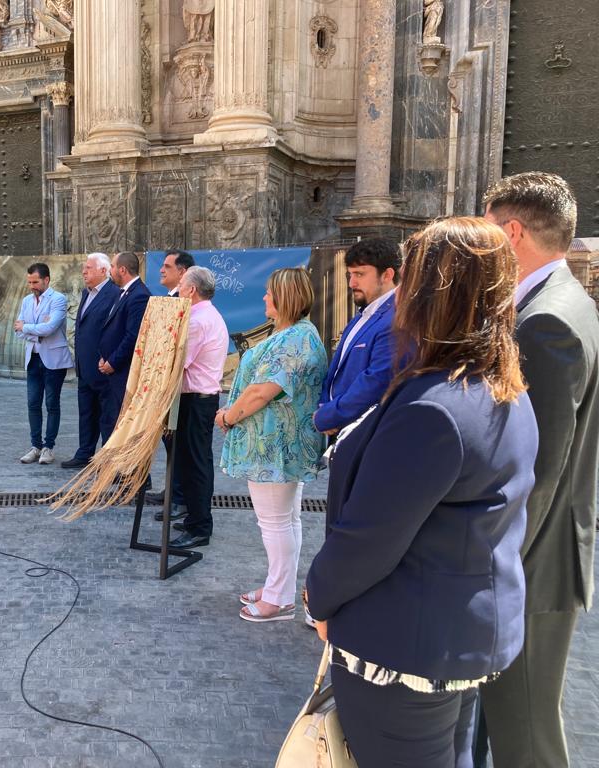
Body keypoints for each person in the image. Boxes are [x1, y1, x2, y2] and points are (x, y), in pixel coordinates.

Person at [304, 217, 538, 767]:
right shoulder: (501, 385)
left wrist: (319, 596)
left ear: (429, 294)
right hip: (457, 634)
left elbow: (370, 537)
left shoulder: (434, 407)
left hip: (407, 644)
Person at [476, 172, 599, 768]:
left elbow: (538, 472)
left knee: (523, 734)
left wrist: (495, 571)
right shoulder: (564, 302)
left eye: (488, 231)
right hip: (550, 555)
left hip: (533, 564)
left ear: (514, 231)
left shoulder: (544, 322)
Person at [217, 268, 327, 620]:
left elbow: (263, 391)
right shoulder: (293, 334)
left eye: (269, 293)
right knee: (285, 520)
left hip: (275, 447)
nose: (264, 298)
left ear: (285, 298)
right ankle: (278, 586)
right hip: (274, 445)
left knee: (275, 522)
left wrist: (228, 417)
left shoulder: (296, 338)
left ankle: (279, 599)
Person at [157, 267, 229, 548]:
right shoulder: (206, 315)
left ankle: (199, 526)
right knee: (192, 463)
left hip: (196, 400)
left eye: (182, 285)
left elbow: (178, 363)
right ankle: (194, 518)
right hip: (197, 398)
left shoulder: (199, 320)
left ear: (191, 290)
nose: (178, 290)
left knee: (195, 464)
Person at [314, 238, 399, 435]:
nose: (352, 283)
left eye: (360, 274)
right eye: (350, 275)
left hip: (368, 433)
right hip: (343, 430)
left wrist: (330, 415)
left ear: (387, 275)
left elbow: (377, 380)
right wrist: (325, 407)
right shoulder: (363, 314)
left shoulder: (395, 318)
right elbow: (336, 371)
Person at [147, 249, 196, 515]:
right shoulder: (169, 299)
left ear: (183, 272)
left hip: (179, 387)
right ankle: (173, 489)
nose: (162, 270)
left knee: (179, 443)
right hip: (165, 384)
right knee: (169, 442)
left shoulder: (187, 303)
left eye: (167, 266)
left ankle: (180, 497)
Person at [61, 252, 120, 469]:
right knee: (86, 414)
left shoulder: (114, 295)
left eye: (89, 268)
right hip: (84, 368)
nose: (84, 272)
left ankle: (107, 459)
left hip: (103, 369)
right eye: (84, 268)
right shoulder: (87, 294)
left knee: (107, 417)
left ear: (104, 271)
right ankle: (84, 452)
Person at [14, 262, 73, 465]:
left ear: (46, 280)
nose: (32, 285)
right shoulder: (26, 301)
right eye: (29, 282)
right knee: (32, 404)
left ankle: (49, 447)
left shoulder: (58, 299)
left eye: (35, 281)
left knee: (51, 404)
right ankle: (35, 446)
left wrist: (29, 328)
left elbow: (50, 328)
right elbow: (18, 329)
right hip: (33, 360)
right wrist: (35, 332)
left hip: (54, 362)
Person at [98, 251, 152, 440]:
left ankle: (132, 470)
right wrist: (104, 357)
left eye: (112, 267)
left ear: (122, 269)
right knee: (111, 421)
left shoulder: (139, 295)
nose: (109, 271)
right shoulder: (123, 293)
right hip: (112, 371)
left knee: (125, 426)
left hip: (124, 373)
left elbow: (133, 336)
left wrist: (112, 362)